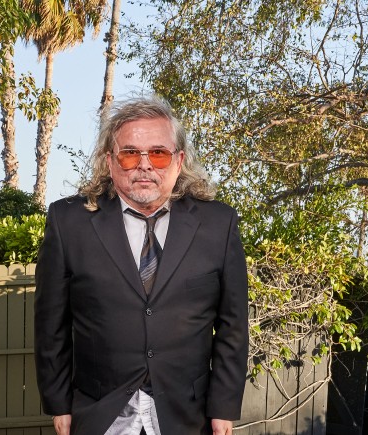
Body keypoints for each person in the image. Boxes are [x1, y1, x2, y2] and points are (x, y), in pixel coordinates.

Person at [34, 96, 249, 435]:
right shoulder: (68, 222)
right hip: (99, 411)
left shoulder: (218, 224)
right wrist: (58, 402)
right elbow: (51, 325)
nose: (145, 165)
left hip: (187, 415)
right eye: (130, 153)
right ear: (109, 161)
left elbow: (233, 326)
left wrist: (223, 406)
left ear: (178, 161)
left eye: (159, 153)